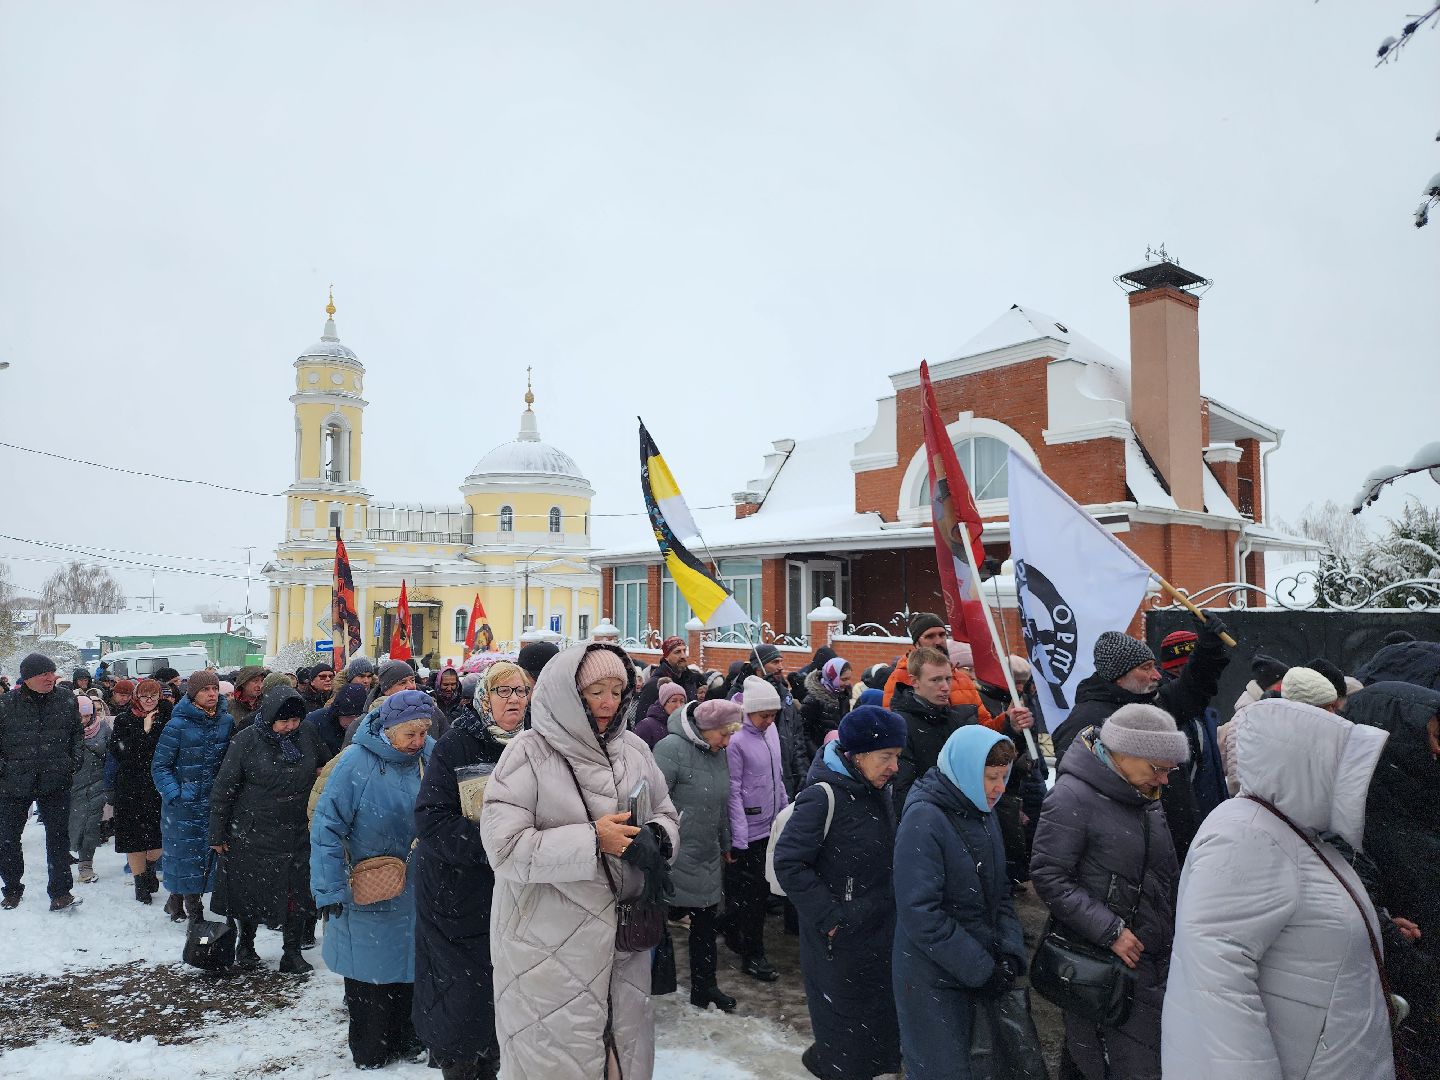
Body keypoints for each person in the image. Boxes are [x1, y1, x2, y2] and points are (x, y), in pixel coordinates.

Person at [1161, 698, 1396, 1080]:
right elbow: (1219, 988)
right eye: (1341, 765)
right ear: (1305, 766)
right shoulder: (1248, 837)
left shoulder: (1292, 830)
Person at [481, 643, 680, 1080]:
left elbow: (665, 811)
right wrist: (593, 841)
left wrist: (657, 838)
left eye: (617, 690)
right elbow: (505, 848)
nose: (609, 702)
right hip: (547, 949)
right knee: (558, 1061)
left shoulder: (633, 750)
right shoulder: (527, 754)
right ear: (569, 693)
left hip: (623, 946)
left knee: (622, 1056)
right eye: (595, 691)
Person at [1031, 703, 1187, 1080]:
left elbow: (1164, 873)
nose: (1165, 780)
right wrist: (1110, 931)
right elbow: (1048, 875)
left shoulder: (1144, 795)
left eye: (1170, 770)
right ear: (1125, 753)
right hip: (1104, 965)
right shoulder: (1071, 797)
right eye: (1158, 769)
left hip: (1153, 957)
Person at [412, 661, 529, 1080]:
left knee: (503, 1001)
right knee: (461, 1002)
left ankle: (491, 1063)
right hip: (456, 894)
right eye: (504, 691)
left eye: (521, 691)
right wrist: (498, 844)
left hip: (512, 893)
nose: (514, 699)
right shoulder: (457, 745)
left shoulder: (535, 745)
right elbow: (431, 820)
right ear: (483, 697)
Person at [775, 705, 905, 1080]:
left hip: (878, 930)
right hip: (839, 942)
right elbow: (790, 862)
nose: (894, 766)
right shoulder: (824, 795)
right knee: (845, 1035)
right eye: (886, 757)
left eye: (896, 756)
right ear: (858, 755)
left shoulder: (877, 788)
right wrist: (833, 918)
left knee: (875, 1029)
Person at [892, 725, 1028, 1080]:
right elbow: (921, 913)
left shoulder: (982, 809)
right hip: (932, 978)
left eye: (1004, 777)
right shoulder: (925, 818)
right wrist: (981, 969)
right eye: (990, 777)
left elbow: (999, 893)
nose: (999, 788)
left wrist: (1010, 953)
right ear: (966, 771)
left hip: (977, 968)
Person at [311, 690, 435, 1070]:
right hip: (368, 886)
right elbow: (326, 828)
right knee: (370, 974)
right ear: (388, 730)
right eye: (409, 734)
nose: (417, 742)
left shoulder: (430, 755)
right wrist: (329, 887)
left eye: (423, 733)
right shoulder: (354, 764)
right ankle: (371, 1050)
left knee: (411, 966)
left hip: (418, 886)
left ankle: (408, 1038)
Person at [1050, 617, 1229, 865]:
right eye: (1146, 668)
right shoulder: (1086, 721)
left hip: (1170, 842)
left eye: (1154, 666)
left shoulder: (1151, 702)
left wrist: (1208, 648)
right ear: (1119, 676)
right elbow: (1075, 800)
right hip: (1127, 854)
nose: (1157, 675)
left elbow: (1193, 688)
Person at [1347, 680, 1440, 1076]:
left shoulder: (1420, 790)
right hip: (1403, 968)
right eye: (1433, 737)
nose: (1437, 749)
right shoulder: (1362, 809)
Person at [208, 686, 326, 974]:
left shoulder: (307, 734)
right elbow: (224, 788)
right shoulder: (247, 740)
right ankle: (246, 946)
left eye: (295, 721)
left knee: (297, 893)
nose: (290, 727)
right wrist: (217, 833)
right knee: (249, 892)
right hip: (253, 831)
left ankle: (292, 952)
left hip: (298, 829)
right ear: (270, 716)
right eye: (284, 721)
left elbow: (325, 765)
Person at [654, 698, 744, 1013]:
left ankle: (704, 988)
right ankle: (651, 986)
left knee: (705, 925)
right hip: (673, 851)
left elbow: (720, 801)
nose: (728, 741)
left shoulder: (718, 753)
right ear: (705, 729)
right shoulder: (670, 749)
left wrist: (725, 840)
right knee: (657, 922)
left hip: (705, 851)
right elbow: (652, 801)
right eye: (724, 734)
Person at [0, 653, 85, 912]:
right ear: (27, 678)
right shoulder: (6, 704)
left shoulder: (65, 699)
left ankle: (60, 892)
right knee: (7, 838)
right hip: (14, 783)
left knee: (58, 838)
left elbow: (76, 735)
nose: (51, 677)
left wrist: (72, 763)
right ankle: (12, 888)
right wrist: (5, 770)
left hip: (55, 781)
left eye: (52, 672)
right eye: (44, 674)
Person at [151, 669, 234, 924]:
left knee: (205, 856)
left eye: (213, 689)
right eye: (204, 690)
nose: (211, 694)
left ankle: (176, 899)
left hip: (214, 802)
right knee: (185, 856)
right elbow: (160, 765)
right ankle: (193, 911)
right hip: (184, 805)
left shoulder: (226, 721)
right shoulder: (176, 725)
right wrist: (175, 794)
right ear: (193, 694)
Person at [722, 674, 791, 982]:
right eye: (764, 715)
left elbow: (776, 777)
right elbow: (733, 790)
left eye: (773, 715)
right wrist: (739, 838)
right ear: (749, 711)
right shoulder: (736, 741)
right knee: (753, 897)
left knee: (755, 895)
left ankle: (737, 935)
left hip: (770, 826)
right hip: (749, 832)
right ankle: (753, 955)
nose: (769, 720)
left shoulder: (772, 731)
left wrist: (785, 812)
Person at [889, 646, 978, 811]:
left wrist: (1011, 727)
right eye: (935, 680)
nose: (945, 686)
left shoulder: (956, 720)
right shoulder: (900, 724)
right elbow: (902, 787)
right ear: (914, 681)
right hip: (923, 817)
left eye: (948, 679)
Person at [110, 678, 169, 904]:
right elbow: (121, 754)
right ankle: (139, 882)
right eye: (144, 696)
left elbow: (166, 753)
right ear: (137, 696)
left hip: (156, 786)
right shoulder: (124, 720)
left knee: (158, 839)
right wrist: (143, 732)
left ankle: (150, 867)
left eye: (153, 696)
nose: (148, 701)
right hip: (130, 786)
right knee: (133, 839)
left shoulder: (166, 720)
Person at [69, 694, 112, 885]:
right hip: (72, 786)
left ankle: (86, 864)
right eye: (79, 716)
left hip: (97, 783)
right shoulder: (64, 731)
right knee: (74, 823)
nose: (84, 720)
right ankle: (68, 853)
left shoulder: (103, 728)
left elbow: (112, 754)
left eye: (87, 716)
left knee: (91, 825)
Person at [634, 635, 703, 717]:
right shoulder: (654, 684)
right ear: (666, 657)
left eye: (684, 651)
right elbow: (642, 721)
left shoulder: (690, 679)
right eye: (677, 652)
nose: (683, 656)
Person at [799, 657, 852, 754]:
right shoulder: (813, 701)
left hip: (837, 752)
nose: (848, 683)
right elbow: (803, 734)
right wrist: (819, 753)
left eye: (849, 679)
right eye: (844, 679)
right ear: (832, 677)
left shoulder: (843, 697)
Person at [305, 682, 369, 761]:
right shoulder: (314, 722)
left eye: (359, 717)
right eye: (349, 716)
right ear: (338, 713)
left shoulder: (369, 726)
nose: (354, 721)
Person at [635, 680, 687, 750]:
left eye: (682, 701)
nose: (679, 705)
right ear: (663, 703)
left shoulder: (686, 725)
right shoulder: (646, 726)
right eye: (674, 701)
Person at [227, 666, 268, 731]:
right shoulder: (229, 707)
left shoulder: (267, 704)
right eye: (255, 681)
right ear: (243, 683)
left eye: (262, 681)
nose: (260, 685)